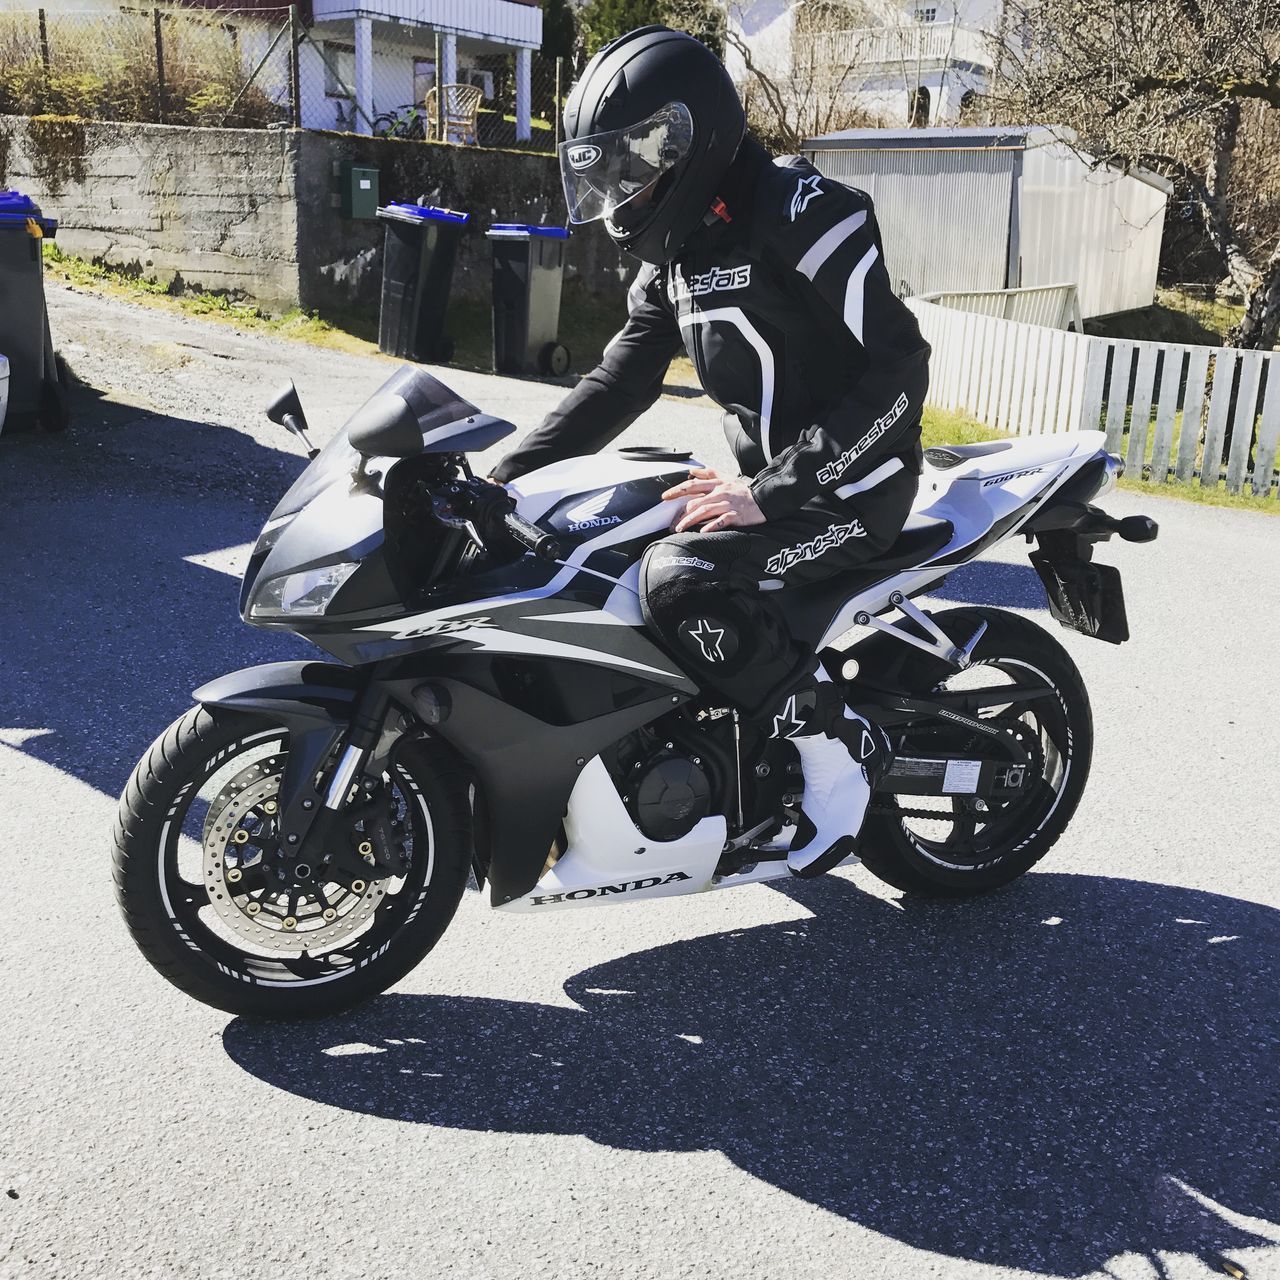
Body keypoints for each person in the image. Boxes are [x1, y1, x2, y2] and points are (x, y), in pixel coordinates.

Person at [490, 25, 930, 877]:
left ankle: (835, 751)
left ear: (687, 138)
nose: (621, 192)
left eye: (632, 165)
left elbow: (901, 368)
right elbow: (621, 381)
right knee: (588, 540)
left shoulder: (803, 216)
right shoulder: (679, 256)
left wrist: (771, 493)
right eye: (607, 170)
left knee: (680, 578)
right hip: (767, 489)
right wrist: (506, 475)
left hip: (855, 493)